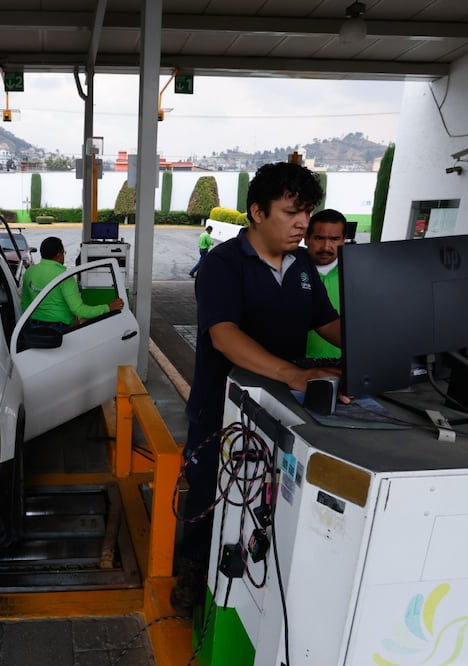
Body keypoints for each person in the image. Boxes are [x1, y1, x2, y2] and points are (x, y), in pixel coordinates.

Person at [170, 162, 344, 616]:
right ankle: (191, 567)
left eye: (306, 212)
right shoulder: (223, 264)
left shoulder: (304, 264)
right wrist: (292, 373)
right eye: (291, 212)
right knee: (211, 495)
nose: (303, 224)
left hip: (283, 409)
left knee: (267, 497)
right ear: (257, 212)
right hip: (221, 410)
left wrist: (380, 345)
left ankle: (251, 578)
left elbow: (327, 323)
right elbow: (223, 335)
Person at [21, 236, 124, 330]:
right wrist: (108, 307)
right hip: (60, 330)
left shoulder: (29, 272)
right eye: (64, 253)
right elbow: (79, 310)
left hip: (34, 327)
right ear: (59, 254)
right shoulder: (64, 277)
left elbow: (25, 303)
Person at [305, 209, 347, 359]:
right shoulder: (289, 271)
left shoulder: (354, 274)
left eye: (334, 239)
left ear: (343, 240)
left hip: (343, 364)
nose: (326, 247)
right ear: (306, 238)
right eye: (319, 238)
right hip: (297, 365)